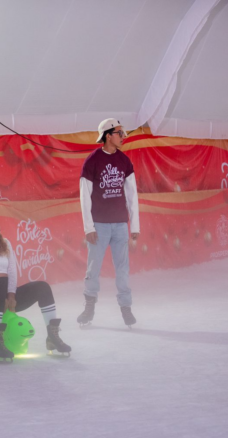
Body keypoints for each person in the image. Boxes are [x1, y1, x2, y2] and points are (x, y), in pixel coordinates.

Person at [0, 204, 71, 359]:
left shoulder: (5, 243)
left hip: (7, 295)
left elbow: (12, 271)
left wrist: (11, 295)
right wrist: (0, 294)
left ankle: (52, 336)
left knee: (42, 287)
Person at [78, 118, 140, 328]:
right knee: (93, 268)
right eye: (119, 133)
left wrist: (135, 226)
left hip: (120, 225)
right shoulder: (92, 161)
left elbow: (132, 196)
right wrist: (89, 227)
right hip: (99, 225)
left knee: (122, 268)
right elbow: (85, 196)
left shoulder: (124, 161)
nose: (123, 137)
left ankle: (126, 309)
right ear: (107, 135)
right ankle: (89, 308)